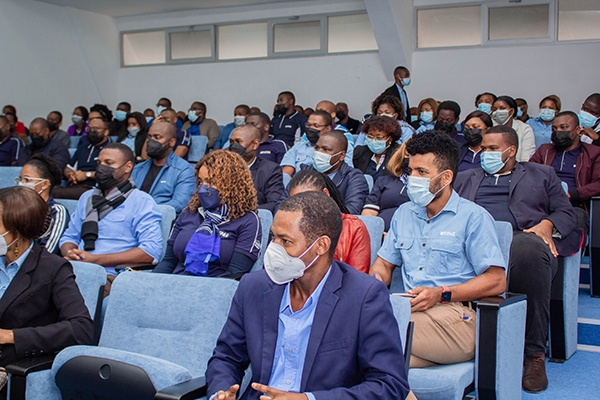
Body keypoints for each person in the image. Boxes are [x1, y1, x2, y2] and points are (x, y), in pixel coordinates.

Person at [206, 190, 410, 400]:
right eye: (273, 237)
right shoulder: (253, 287)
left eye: (285, 241)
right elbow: (226, 357)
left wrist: (308, 399)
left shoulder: (364, 296)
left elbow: (389, 385)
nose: (273, 249)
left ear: (321, 246)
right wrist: (220, 393)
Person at [454, 125, 581, 393]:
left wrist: (548, 223)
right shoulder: (465, 177)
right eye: (483, 149)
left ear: (511, 151)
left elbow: (569, 214)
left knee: (528, 249)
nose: (484, 154)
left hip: (522, 243)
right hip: (474, 244)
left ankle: (533, 354)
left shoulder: (542, 174)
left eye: (492, 149)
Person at [369, 129, 507, 371]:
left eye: (422, 172)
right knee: (376, 366)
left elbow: (496, 281)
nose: (413, 178)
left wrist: (441, 293)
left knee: (366, 335)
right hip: (410, 310)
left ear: (445, 178)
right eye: (411, 171)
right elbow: (384, 264)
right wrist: (376, 284)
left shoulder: (473, 217)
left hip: (456, 318)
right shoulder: (404, 214)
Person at [0, 186, 94, 385]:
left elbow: (81, 329)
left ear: (16, 229)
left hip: (11, 365)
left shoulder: (53, 269)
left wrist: (10, 336)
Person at [59, 143, 163, 294]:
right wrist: (71, 253)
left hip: (110, 275)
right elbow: (70, 236)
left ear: (127, 167)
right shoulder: (87, 197)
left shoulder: (141, 201)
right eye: (99, 163)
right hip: (76, 269)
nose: (101, 168)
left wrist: (95, 260)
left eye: (109, 163)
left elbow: (151, 252)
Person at [153, 150, 262, 278]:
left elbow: (235, 273)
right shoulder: (189, 213)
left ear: (231, 184)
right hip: (175, 283)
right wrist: (151, 284)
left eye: (210, 182)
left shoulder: (248, 221)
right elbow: (168, 262)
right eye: (201, 181)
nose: (203, 188)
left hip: (213, 290)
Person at [288, 169, 370, 273]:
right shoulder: (288, 228)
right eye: (295, 203)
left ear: (325, 194)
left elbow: (357, 279)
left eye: (308, 201)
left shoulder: (353, 228)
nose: (302, 208)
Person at [530, 111, 600, 231]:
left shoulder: (593, 153)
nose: (558, 132)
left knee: (577, 219)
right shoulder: (544, 150)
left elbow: (598, 183)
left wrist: (571, 195)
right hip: (543, 202)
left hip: (574, 204)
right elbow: (529, 174)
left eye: (564, 127)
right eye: (554, 128)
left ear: (578, 130)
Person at [280, 131, 369, 215]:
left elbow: (351, 211)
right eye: (317, 148)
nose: (319, 152)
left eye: (326, 149)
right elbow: (281, 204)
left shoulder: (353, 178)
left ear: (341, 155)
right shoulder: (304, 173)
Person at [131, 121, 196, 213]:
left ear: (172, 142)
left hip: (160, 221)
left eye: (157, 137)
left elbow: (180, 203)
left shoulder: (184, 170)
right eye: (149, 137)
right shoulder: (138, 168)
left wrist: (146, 211)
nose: (151, 141)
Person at [15, 154, 68, 255]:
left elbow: (49, 251)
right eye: (20, 179)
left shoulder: (57, 211)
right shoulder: (16, 209)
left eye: (27, 180)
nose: (21, 184)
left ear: (44, 184)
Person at [228, 124, 284, 213]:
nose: (233, 146)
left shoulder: (270, 170)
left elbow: (274, 204)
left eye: (238, 142)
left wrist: (243, 213)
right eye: (231, 142)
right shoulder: (221, 167)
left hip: (253, 220)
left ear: (255, 144)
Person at [280, 111, 353, 177]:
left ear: (328, 128)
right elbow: (286, 174)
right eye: (308, 125)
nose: (310, 128)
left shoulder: (340, 146)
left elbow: (345, 173)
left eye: (316, 125)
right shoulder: (298, 146)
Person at [55, 117, 113, 200]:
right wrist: (70, 174)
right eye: (89, 128)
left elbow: (111, 173)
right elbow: (68, 167)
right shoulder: (83, 147)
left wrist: (86, 175)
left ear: (106, 132)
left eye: (95, 128)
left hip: (95, 188)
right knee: (52, 190)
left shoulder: (111, 150)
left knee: (54, 193)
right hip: (75, 185)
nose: (92, 131)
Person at [362, 141, 410, 232]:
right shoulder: (383, 181)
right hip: (379, 235)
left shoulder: (430, 188)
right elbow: (369, 213)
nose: (410, 159)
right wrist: (377, 234)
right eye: (407, 155)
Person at [353, 115, 402, 182]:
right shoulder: (359, 152)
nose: (374, 140)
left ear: (390, 139)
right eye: (370, 136)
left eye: (379, 137)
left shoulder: (399, 154)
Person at [491, 95, 536, 162]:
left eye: (502, 108)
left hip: (518, 169)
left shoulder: (524, 129)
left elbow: (526, 158)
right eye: (494, 110)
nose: (498, 112)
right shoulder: (490, 127)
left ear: (511, 111)